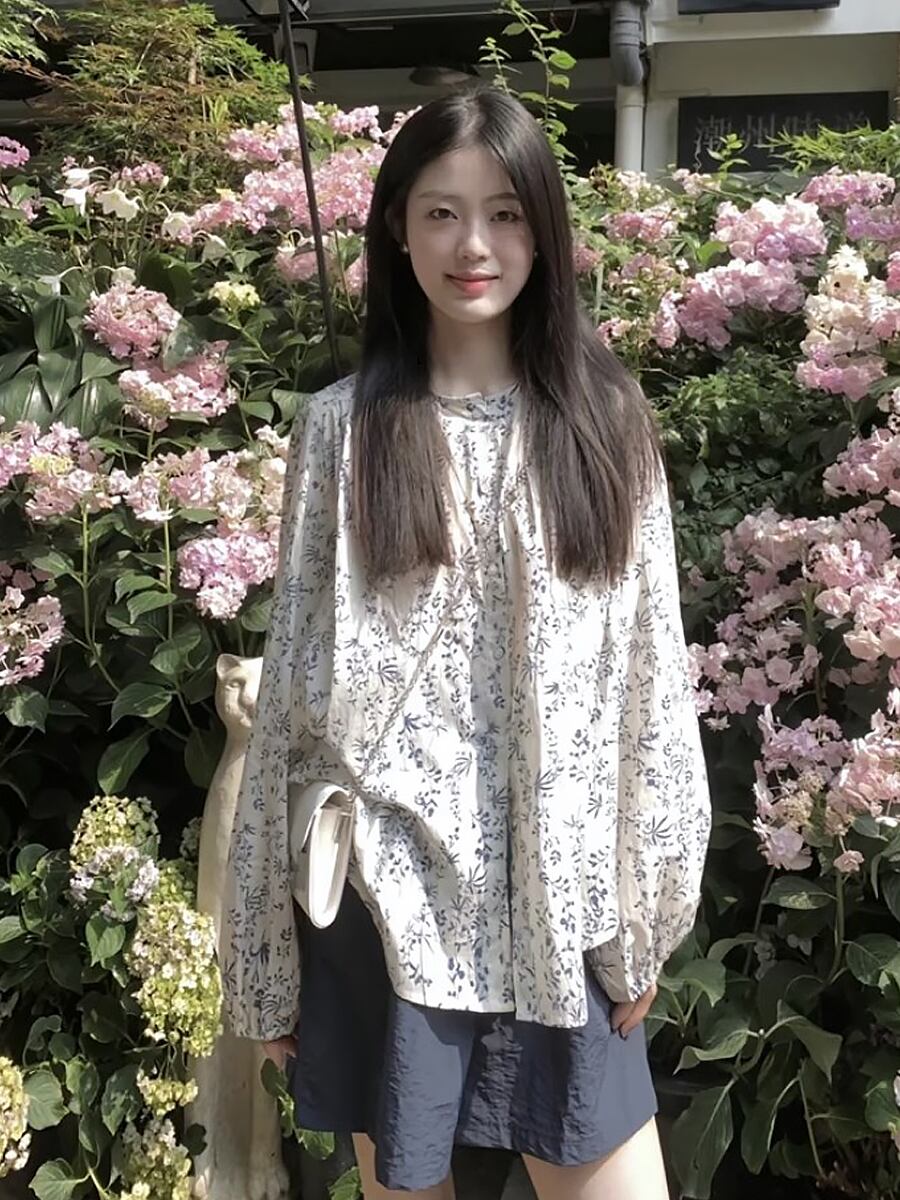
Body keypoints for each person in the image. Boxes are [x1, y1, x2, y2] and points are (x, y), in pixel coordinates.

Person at [221, 85, 711, 1200]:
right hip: (389, 915)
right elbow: (294, 698)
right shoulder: (343, 432)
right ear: (398, 228)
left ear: (544, 230)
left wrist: (645, 921)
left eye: (504, 213)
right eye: (440, 212)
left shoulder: (606, 427)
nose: (473, 245)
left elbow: (652, 688)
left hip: (564, 911)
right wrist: (265, 961)